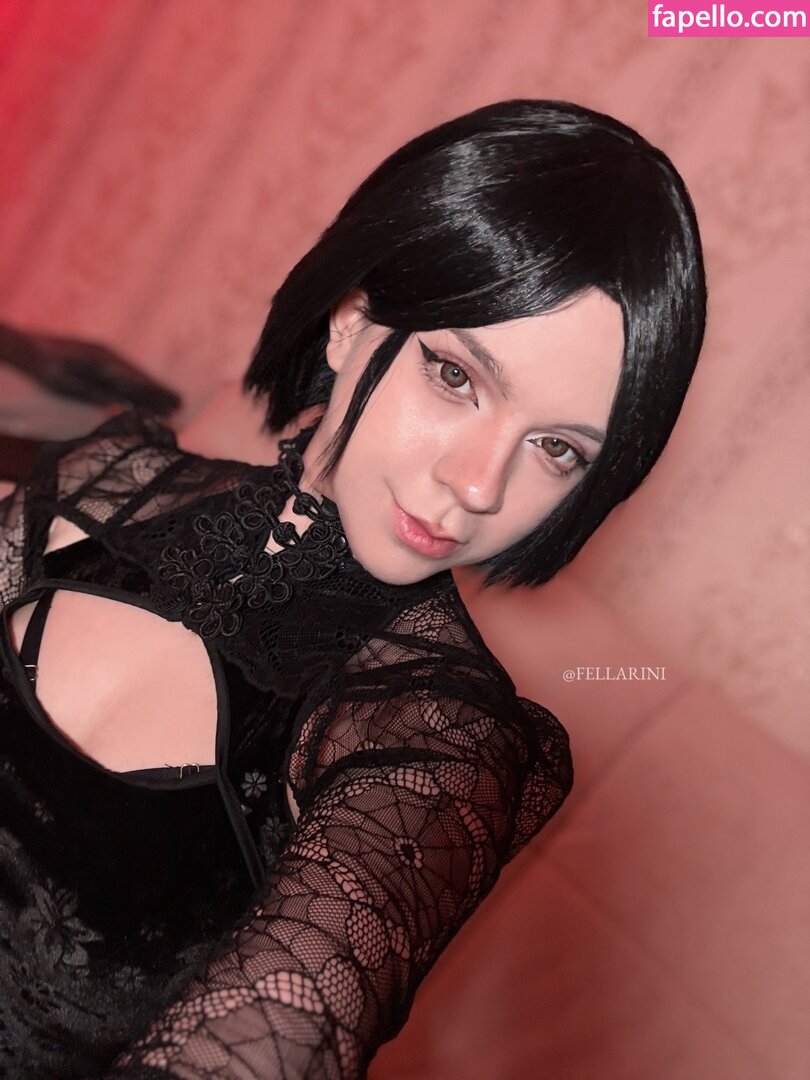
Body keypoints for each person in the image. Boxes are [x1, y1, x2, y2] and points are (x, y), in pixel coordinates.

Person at [0, 98, 706, 1079]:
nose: (479, 486)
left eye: (556, 449)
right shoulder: (106, 483)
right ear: (350, 323)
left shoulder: (433, 745)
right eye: (456, 378)